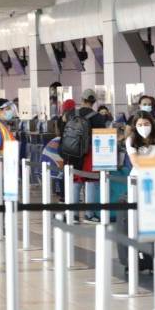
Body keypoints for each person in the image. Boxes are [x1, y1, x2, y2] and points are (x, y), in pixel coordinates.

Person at [61, 89, 107, 222]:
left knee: (76, 183)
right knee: (91, 182)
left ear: (82, 100)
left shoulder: (71, 114)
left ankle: (73, 215)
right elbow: (102, 137)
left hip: (72, 152)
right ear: (94, 102)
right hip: (90, 154)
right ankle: (89, 214)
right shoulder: (98, 117)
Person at [125, 111, 155, 176]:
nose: (143, 127)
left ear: (152, 124)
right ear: (135, 126)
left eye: (146, 124)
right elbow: (135, 162)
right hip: (138, 175)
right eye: (140, 125)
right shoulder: (130, 140)